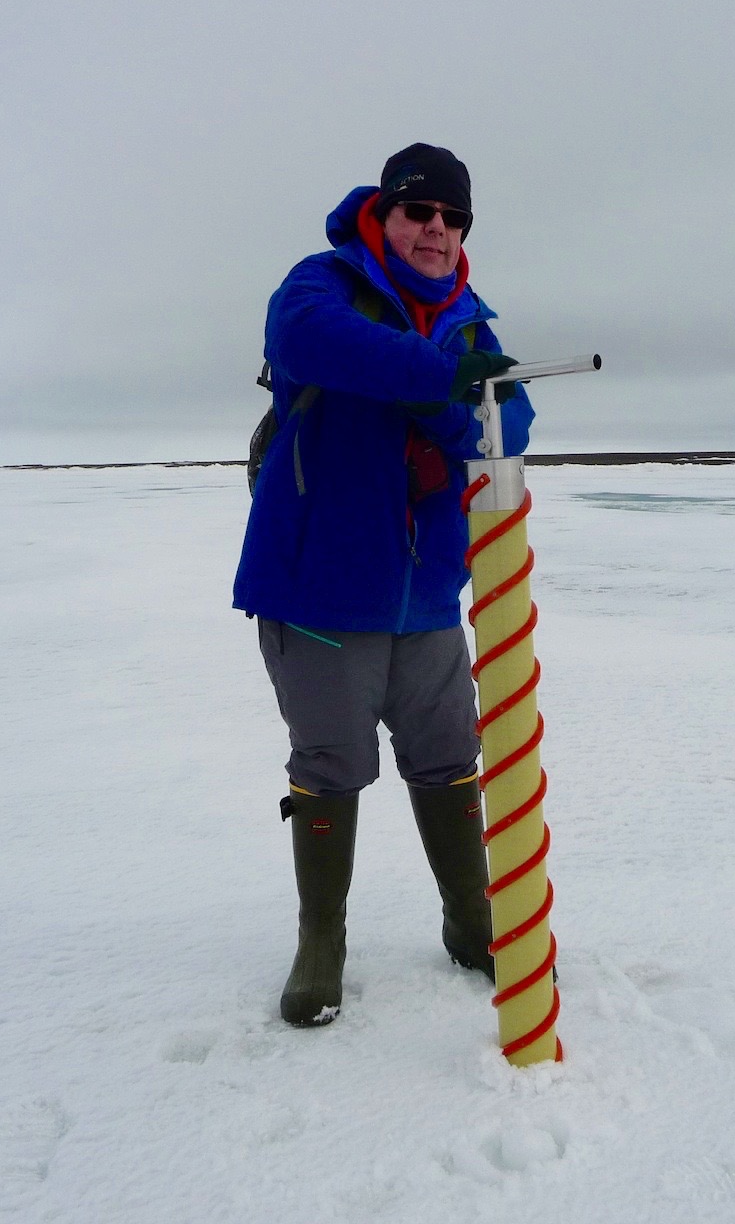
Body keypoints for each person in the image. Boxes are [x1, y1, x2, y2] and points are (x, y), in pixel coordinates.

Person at [233, 144, 533, 1026]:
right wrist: (438, 379)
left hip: (430, 594)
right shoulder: (321, 284)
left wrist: (447, 394)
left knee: (448, 758)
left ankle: (470, 917)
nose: (436, 231)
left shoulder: (472, 319)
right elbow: (312, 345)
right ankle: (320, 941)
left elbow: (505, 424)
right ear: (385, 215)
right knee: (330, 766)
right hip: (319, 592)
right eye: (419, 212)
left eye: (452, 218)